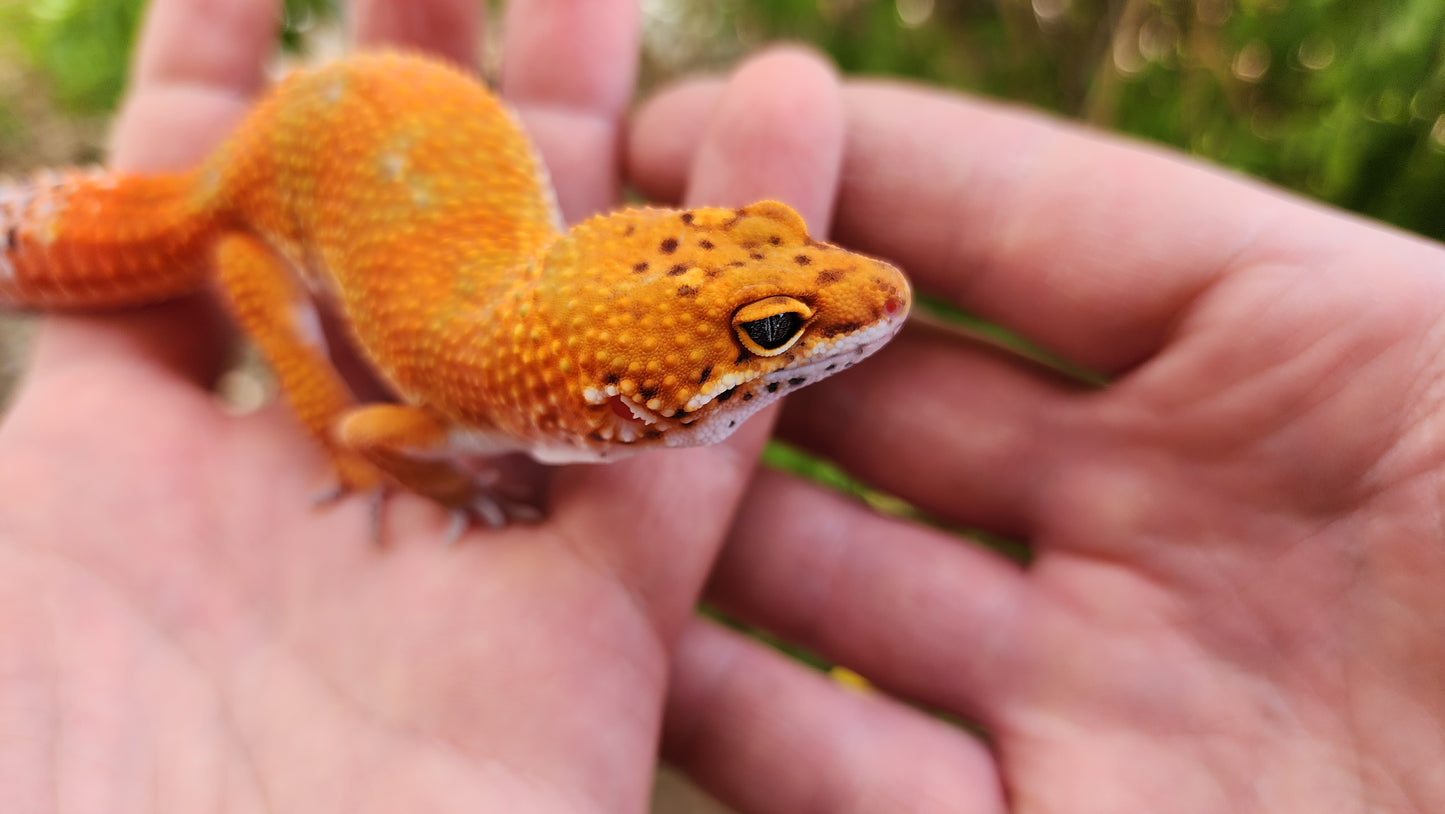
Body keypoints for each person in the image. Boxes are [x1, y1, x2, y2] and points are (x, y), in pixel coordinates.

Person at [2, 0, 1441, 811]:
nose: (859, 296)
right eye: (771, 328)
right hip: (271, 194)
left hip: (385, 141)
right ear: (618, 404)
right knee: (317, 377)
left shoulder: (582, 336)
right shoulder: (483, 398)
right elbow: (376, 422)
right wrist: (397, 460)